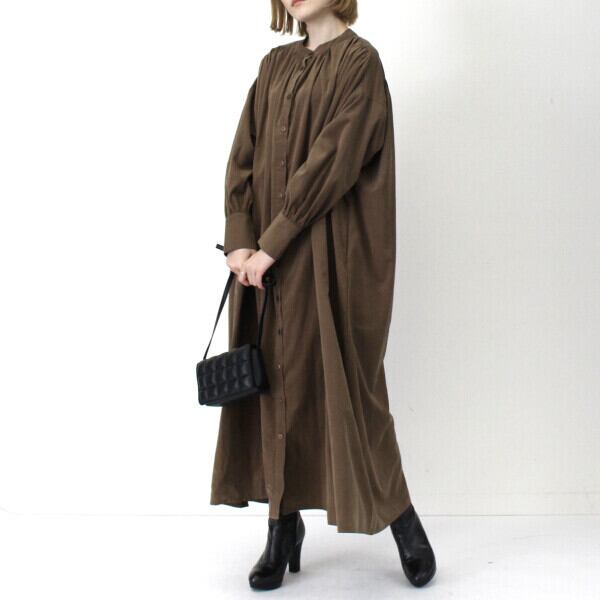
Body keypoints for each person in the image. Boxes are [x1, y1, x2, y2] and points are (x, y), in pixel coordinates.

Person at [210, 0, 436, 590]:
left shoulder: (361, 63)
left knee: (352, 393)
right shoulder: (273, 66)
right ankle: (281, 527)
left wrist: (270, 243)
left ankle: (403, 520)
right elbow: (243, 157)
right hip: (264, 263)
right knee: (274, 386)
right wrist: (240, 239)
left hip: (333, 259)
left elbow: (332, 162)